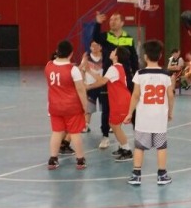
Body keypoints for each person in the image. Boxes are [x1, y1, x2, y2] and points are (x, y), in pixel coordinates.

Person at [125, 40, 174, 186]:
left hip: (143, 118)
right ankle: (162, 175)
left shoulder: (140, 74)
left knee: (140, 146)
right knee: (161, 146)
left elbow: (135, 95)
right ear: (160, 55)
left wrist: (129, 113)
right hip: (159, 118)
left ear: (145, 56)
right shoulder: (166, 75)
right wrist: (170, 112)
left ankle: (136, 175)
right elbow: (170, 95)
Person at [92, 11, 140, 149]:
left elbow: (134, 59)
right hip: (109, 78)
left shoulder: (129, 39)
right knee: (106, 108)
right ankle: (105, 136)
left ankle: (137, 135)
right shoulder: (106, 36)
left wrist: (137, 76)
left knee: (132, 107)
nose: (112, 21)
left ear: (122, 23)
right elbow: (95, 37)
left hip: (125, 80)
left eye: (116, 19)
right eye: (111, 19)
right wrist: (97, 23)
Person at [44, 40, 88, 170]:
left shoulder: (48, 65)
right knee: (75, 133)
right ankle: (80, 160)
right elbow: (80, 89)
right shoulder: (73, 69)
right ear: (71, 53)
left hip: (54, 106)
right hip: (71, 106)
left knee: (57, 132)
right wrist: (85, 106)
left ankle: (53, 159)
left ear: (57, 51)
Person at [87, 47, 134, 162]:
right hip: (119, 100)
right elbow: (103, 79)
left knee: (115, 126)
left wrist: (87, 85)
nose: (111, 52)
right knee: (113, 124)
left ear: (117, 56)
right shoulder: (119, 67)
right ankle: (123, 147)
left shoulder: (114, 68)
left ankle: (127, 150)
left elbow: (102, 81)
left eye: (114, 51)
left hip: (120, 101)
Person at [79, 40, 104, 133]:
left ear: (101, 47)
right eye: (92, 46)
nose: (94, 47)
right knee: (88, 107)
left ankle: (107, 125)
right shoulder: (87, 58)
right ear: (90, 47)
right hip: (89, 86)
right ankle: (85, 125)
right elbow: (82, 70)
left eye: (96, 45)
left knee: (105, 108)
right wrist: (83, 83)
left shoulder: (105, 58)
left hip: (102, 86)